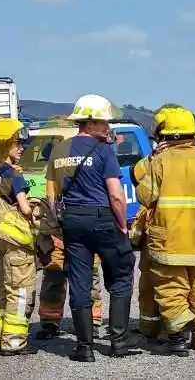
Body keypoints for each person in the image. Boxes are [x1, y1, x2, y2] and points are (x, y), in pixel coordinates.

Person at [45, 94, 145, 362]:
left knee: (79, 280)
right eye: (103, 122)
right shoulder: (103, 152)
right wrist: (123, 225)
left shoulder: (58, 150)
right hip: (103, 219)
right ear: (88, 123)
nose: (107, 127)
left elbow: (52, 195)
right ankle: (119, 341)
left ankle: (84, 347)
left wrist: (60, 224)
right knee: (122, 274)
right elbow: (115, 195)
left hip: (73, 221)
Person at [135, 108, 195, 356]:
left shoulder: (160, 162)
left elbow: (144, 196)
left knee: (170, 288)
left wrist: (152, 162)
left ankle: (178, 334)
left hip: (169, 239)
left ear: (167, 136)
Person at [0, 118, 38, 356]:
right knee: (20, 291)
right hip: (16, 244)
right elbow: (25, 209)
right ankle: (14, 342)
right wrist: (37, 210)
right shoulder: (15, 177)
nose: (21, 148)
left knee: (5, 290)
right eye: (17, 144)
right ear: (6, 146)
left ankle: (0, 337)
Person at [130, 107, 173, 340]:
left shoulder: (156, 161)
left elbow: (141, 189)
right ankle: (165, 327)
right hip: (185, 230)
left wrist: (154, 159)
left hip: (159, 228)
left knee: (155, 280)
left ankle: (164, 328)